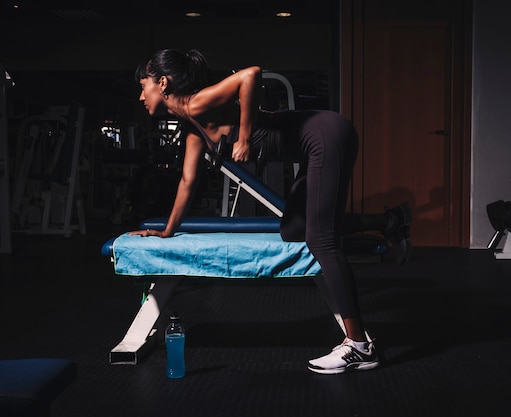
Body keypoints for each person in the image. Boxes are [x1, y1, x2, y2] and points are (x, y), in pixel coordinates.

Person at [129, 48, 411, 374]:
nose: (140, 96)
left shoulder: (197, 102)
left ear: (162, 84)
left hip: (324, 134)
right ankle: (390, 220)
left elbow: (250, 74)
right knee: (293, 229)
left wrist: (245, 135)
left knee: (321, 240)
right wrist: (167, 231)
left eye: (143, 85)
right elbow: (187, 183)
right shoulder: (193, 127)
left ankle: (359, 345)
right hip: (316, 145)